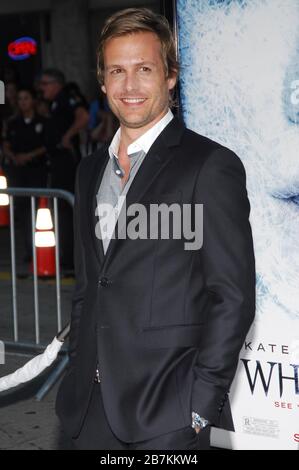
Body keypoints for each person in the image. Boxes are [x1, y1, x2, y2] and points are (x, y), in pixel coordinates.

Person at [55, 8, 256, 450]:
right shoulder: (89, 171)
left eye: (145, 69)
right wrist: (75, 366)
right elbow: (90, 286)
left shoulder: (209, 165)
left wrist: (200, 404)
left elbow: (233, 296)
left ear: (170, 76)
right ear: (103, 81)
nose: (130, 86)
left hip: (166, 415)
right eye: (117, 71)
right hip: (85, 410)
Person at [39, 69, 89, 271]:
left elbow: (83, 117)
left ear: (56, 84)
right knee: (62, 210)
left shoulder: (66, 96)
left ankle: (73, 259)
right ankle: (67, 256)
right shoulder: (53, 103)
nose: (41, 88)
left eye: (45, 84)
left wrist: (68, 136)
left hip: (67, 161)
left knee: (68, 209)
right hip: (57, 161)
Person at [2, 88, 48, 262]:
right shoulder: (13, 123)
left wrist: (29, 156)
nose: (23, 102)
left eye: (26, 98)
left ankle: (39, 249)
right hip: (18, 171)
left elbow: (47, 145)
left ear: (33, 101)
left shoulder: (42, 122)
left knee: (37, 210)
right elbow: (6, 143)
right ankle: (28, 250)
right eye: (20, 99)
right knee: (22, 211)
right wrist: (14, 156)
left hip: (36, 170)